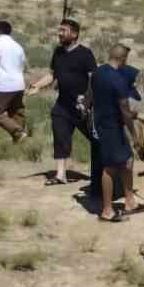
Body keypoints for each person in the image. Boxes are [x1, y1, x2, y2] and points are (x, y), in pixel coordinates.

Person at [28, 18, 96, 186]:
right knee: (60, 136)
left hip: (83, 106)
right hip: (63, 104)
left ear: (74, 34)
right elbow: (52, 75)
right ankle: (60, 174)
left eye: (63, 30)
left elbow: (93, 79)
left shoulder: (85, 53)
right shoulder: (58, 52)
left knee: (97, 139)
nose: (59, 33)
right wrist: (37, 86)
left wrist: (87, 100)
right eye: (59, 30)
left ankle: (105, 172)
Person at [89, 44, 144, 222]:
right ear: (122, 59)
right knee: (111, 167)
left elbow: (92, 96)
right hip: (111, 126)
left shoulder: (98, 73)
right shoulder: (118, 81)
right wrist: (135, 136)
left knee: (127, 161)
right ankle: (107, 211)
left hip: (102, 122)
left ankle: (130, 202)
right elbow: (125, 112)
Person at [0, 19, 29, 143]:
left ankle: (18, 133)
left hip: (5, 85)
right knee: (16, 113)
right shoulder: (18, 46)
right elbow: (26, 66)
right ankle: (21, 144)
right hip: (19, 85)